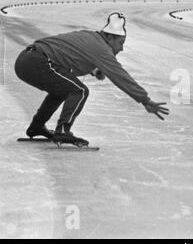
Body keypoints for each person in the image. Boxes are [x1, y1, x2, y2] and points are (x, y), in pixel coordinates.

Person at [15, 13, 169, 145]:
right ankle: (62, 131)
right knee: (79, 91)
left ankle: (37, 126)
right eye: (120, 43)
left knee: (62, 90)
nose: (121, 48)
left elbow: (71, 55)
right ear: (109, 37)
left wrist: (94, 70)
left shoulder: (91, 38)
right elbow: (120, 76)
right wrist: (145, 100)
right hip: (38, 61)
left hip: (27, 59)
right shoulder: (101, 48)